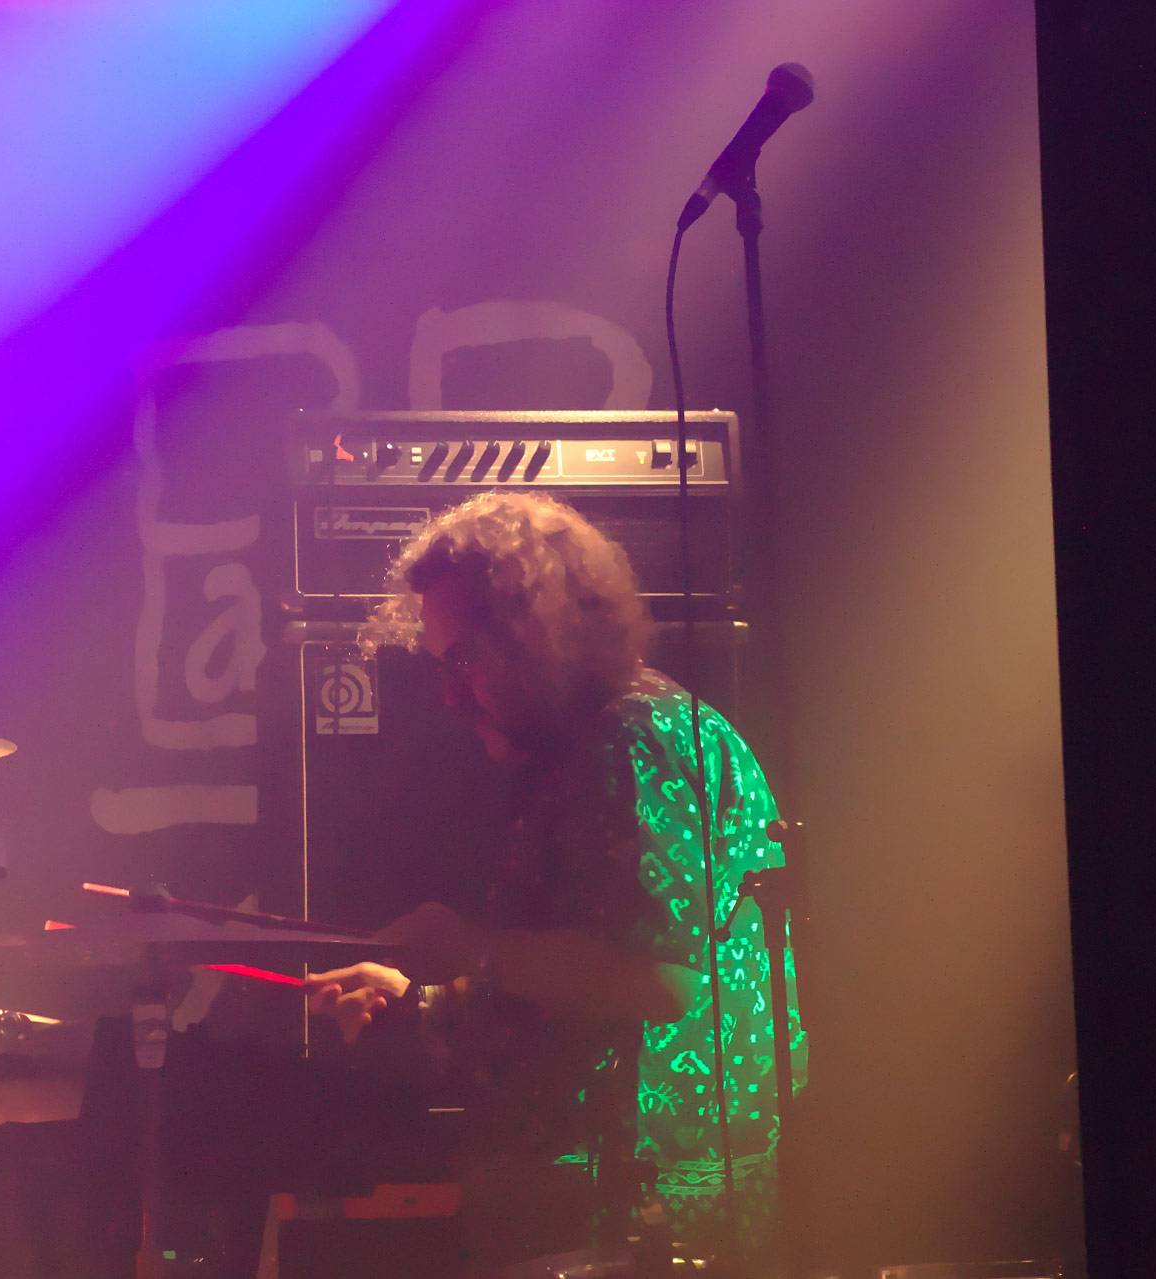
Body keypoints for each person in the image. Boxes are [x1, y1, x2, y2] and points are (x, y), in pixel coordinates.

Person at [304, 491, 802, 1275]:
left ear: (535, 635)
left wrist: (467, 945)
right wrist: (428, 1000)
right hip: (606, 1192)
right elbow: (578, 976)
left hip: (639, 1206)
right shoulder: (609, 739)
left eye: (463, 661)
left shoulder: (631, 741)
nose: (449, 695)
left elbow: (661, 981)